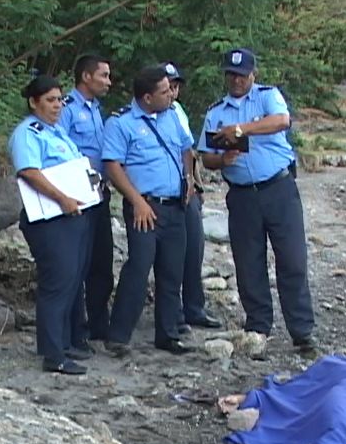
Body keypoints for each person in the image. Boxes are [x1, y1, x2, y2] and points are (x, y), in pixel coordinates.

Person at [197, 48, 315, 352]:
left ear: (253, 74)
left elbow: (281, 121)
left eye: (242, 74)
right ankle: (258, 326)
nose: (236, 80)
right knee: (249, 263)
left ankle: (302, 330)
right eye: (231, 75)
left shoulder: (267, 96)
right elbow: (206, 156)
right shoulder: (216, 112)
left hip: (278, 189)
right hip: (241, 195)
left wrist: (242, 129)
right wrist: (223, 160)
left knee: (292, 259)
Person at [101, 65, 195, 356]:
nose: (171, 95)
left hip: (174, 205)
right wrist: (137, 201)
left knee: (171, 271)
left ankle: (167, 334)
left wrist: (190, 178)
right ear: (147, 97)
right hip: (145, 206)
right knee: (139, 268)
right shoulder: (122, 123)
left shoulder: (171, 116)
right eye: (165, 91)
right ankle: (118, 335)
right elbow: (113, 165)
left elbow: (185, 148)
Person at [8, 75, 92, 375]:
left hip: (71, 216)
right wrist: (63, 197)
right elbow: (29, 171)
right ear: (34, 102)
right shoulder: (27, 133)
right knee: (57, 284)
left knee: (71, 281)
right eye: (51, 100)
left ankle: (62, 343)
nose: (57, 105)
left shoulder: (57, 132)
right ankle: (53, 355)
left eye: (60, 99)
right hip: (48, 217)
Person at [162, 62, 222, 333]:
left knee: (194, 249)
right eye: (167, 86)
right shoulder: (146, 115)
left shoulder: (178, 111)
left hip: (188, 190)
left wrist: (196, 186)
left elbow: (190, 151)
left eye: (175, 86)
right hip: (164, 195)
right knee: (171, 257)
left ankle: (194, 307)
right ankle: (173, 313)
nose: (173, 91)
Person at [59, 54, 115, 344]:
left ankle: (98, 323)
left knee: (101, 261)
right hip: (77, 193)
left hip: (99, 192)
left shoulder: (97, 110)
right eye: (104, 75)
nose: (108, 81)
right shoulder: (66, 109)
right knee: (78, 264)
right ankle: (75, 328)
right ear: (86, 77)